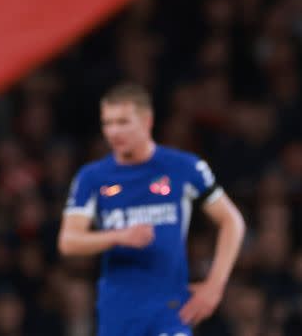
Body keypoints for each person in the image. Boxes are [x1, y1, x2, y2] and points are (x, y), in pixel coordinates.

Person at [58, 83, 245, 335]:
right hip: (118, 312)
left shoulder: (183, 167)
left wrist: (215, 285)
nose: (114, 132)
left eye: (123, 122)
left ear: (147, 121)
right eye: (108, 123)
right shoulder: (92, 177)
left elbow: (232, 221)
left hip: (169, 308)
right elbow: (69, 241)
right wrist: (118, 236)